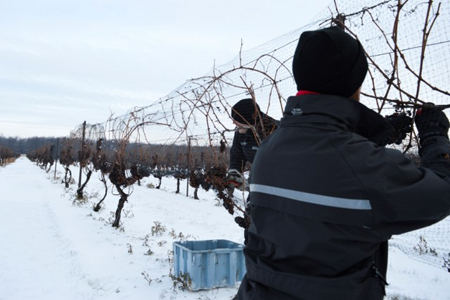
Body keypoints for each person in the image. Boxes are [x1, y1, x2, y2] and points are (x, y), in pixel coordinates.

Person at [236, 26, 450, 300]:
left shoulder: (268, 149)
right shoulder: (362, 166)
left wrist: (376, 133)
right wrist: (435, 135)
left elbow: (328, 164)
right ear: (354, 84)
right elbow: (442, 192)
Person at [226, 98, 278, 228]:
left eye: (237, 120)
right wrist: (234, 173)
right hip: (256, 185)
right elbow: (237, 155)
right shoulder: (241, 132)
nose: (233, 123)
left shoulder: (274, 131)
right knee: (251, 223)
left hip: (277, 187)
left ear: (248, 121)